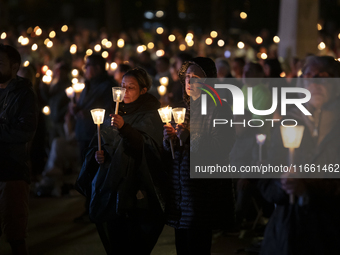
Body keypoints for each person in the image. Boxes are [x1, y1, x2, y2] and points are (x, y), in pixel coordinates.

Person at [76, 68, 165, 254]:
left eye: (131, 87)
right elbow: (100, 142)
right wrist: (98, 156)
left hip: (137, 191)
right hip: (111, 187)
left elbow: (147, 147)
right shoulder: (113, 112)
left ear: (143, 90)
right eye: (122, 86)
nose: (125, 91)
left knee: (135, 241)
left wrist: (125, 128)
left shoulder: (151, 113)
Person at [259, 56, 340, 255]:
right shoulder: (289, 122)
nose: (314, 82)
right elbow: (267, 181)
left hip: (331, 231)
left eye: (323, 76)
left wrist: (308, 190)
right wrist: (283, 183)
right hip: (288, 233)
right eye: (308, 76)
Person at [163, 57, 235, 255]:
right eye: (187, 77)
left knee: (197, 246)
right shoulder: (183, 109)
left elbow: (222, 146)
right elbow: (174, 150)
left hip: (202, 191)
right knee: (182, 247)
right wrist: (169, 139)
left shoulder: (219, 108)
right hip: (181, 191)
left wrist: (189, 137)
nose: (190, 82)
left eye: (196, 77)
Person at [0, 44, 38, 254]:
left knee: (15, 233)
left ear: (14, 67)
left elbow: (25, 132)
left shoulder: (24, 95)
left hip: (11, 170)